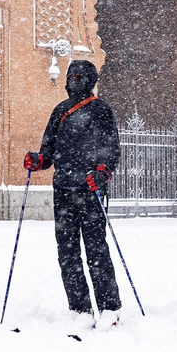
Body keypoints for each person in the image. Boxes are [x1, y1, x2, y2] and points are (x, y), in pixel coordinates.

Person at [23, 59, 122, 324]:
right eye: (71, 76)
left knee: (96, 250)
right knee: (67, 252)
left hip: (90, 190)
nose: (73, 81)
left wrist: (102, 171)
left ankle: (110, 308)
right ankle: (79, 308)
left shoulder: (101, 110)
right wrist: (38, 160)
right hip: (63, 190)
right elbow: (48, 151)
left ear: (90, 80)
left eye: (79, 76)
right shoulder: (60, 110)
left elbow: (112, 149)